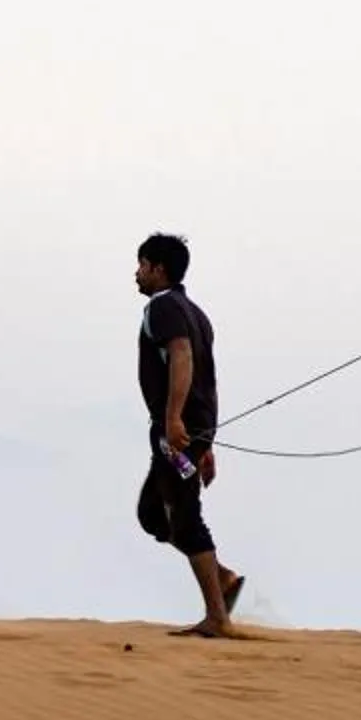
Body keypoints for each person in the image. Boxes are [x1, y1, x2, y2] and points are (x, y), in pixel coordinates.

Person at [133, 231, 244, 636]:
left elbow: (183, 356)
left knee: (184, 517)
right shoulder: (193, 310)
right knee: (152, 514)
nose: (137, 273)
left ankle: (218, 618)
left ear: (158, 269)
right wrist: (205, 443)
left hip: (175, 431)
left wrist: (175, 420)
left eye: (142, 265)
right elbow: (208, 378)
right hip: (187, 431)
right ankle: (224, 578)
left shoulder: (164, 308)